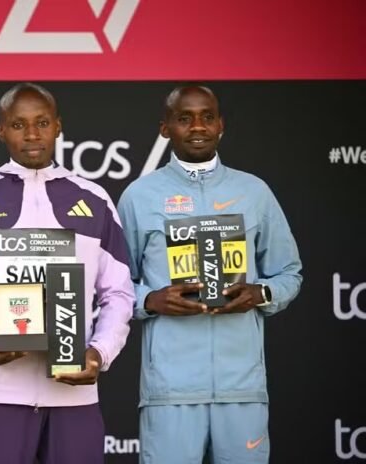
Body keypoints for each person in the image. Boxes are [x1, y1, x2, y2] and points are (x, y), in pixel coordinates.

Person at [0, 82, 135, 464]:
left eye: (42, 123)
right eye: (19, 124)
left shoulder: (94, 200)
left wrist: (99, 352)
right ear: (1, 130)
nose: (32, 134)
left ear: (58, 126)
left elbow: (119, 293)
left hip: (74, 395)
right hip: (0, 395)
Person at [117, 85, 302, 464]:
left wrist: (261, 294)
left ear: (221, 124)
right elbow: (115, 287)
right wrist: (150, 300)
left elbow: (289, 272)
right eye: (184, 118)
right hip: (170, 390)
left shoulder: (254, 191)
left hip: (242, 387)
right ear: (165, 128)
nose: (197, 127)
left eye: (207, 117)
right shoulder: (139, 196)